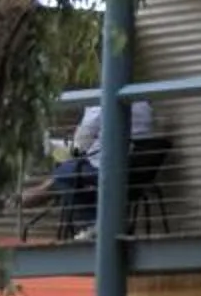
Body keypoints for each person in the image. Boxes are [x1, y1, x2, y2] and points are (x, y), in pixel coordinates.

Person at [41, 98, 156, 237]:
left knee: (63, 174)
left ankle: (95, 222)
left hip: (108, 171)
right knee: (72, 172)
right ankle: (107, 220)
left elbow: (78, 148)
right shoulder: (142, 104)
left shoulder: (99, 104)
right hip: (137, 176)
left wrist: (52, 147)